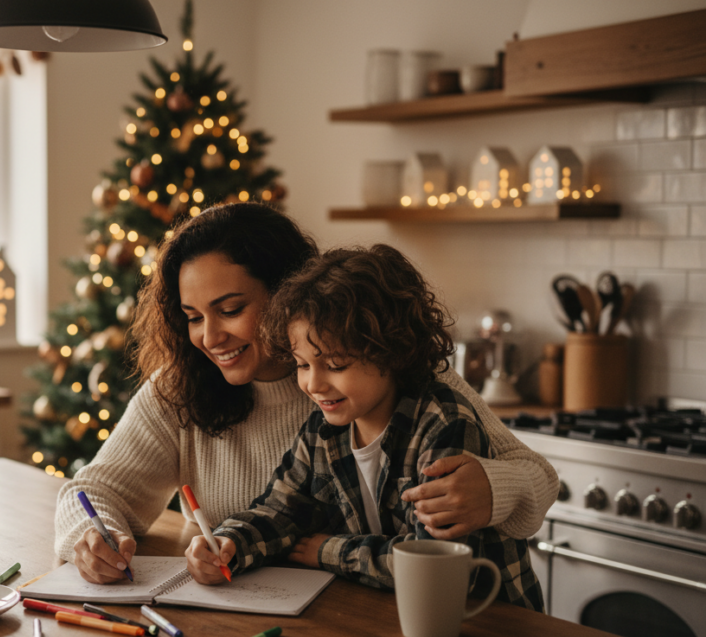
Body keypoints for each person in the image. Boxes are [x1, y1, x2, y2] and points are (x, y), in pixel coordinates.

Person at [53, 202, 556, 584]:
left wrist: (493, 489)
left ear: (287, 295)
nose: (209, 337)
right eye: (192, 318)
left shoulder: (396, 374)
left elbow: (539, 477)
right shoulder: (184, 388)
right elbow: (93, 491)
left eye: (229, 309)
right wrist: (92, 537)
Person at [187, 245, 544, 611]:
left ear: (391, 351)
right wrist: (227, 545)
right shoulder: (322, 431)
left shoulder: (444, 423)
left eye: (336, 364)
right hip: (398, 618)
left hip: (491, 624)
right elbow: (279, 511)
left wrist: (327, 550)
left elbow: (429, 563)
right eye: (302, 365)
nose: (313, 384)